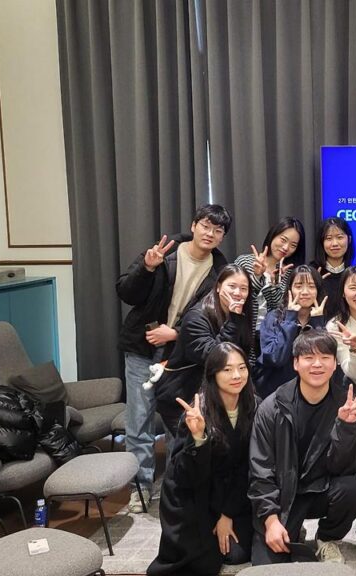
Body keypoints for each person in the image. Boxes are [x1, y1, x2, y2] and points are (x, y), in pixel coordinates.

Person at [116, 204, 231, 512]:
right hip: (142, 348)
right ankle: (140, 489)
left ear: (222, 237)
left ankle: (175, 485)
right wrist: (146, 267)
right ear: (193, 226)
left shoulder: (221, 272)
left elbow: (216, 318)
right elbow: (126, 292)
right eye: (205, 226)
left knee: (177, 422)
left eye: (218, 230)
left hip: (181, 356)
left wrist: (176, 333)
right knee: (139, 421)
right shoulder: (162, 254)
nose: (210, 234)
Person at [248, 329, 356, 565]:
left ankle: (327, 538)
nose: (317, 364)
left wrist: (346, 428)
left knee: (354, 488)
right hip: (284, 495)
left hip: (324, 489)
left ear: (335, 364)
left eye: (325, 357)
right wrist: (271, 521)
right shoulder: (272, 407)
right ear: (295, 363)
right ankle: (293, 529)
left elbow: (350, 466)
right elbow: (260, 470)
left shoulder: (347, 405)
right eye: (308, 357)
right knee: (268, 564)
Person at [148, 343, 256, 575]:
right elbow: (183, 475)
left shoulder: (254, 406)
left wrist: (226, 514)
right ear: (212, 374)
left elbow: (247, 467)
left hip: (233, 493)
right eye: (227, 369)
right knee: (199, 562)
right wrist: (198, 437)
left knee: (237, 553)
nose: (236, 376)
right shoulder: (198, 413)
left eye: (242, 368)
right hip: (195, 494)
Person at [154, 264, 254, 436]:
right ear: (218, 287)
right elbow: (216, 357)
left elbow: (244, 354)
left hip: (215, 395)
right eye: (232, 286)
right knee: (189, 448)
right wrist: (233, 320)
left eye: (243, 289)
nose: (238, 293)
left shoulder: (240, 314)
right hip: (183, 395)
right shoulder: (196, 317)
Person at [233, 217, 306, 364]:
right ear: (273, 235)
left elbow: (277, 309)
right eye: (283, 240)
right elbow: (237, 296)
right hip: (242, 332)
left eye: (293, 245)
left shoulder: (290, 274)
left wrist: (274, 284)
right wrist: (257, 276)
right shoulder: (245, 262)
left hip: (270, 337)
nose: (285, 247)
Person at [254, 265, 330, 399]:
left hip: (310, 394)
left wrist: (317, 323)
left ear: (318, 291)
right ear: (290, 290)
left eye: (311, 286)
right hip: (274, 394)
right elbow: (276, 358)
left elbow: (324, 361)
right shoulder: (273, 317)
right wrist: (290, 318)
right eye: (299, 286)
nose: (305, 292)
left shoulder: (324, 320)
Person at [311, 217, 355, 321]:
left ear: (349, 239)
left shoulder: (354, 274)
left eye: (339, 237)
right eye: (329, 238)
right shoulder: (311, 272)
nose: (334, 243)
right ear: (322, 242)